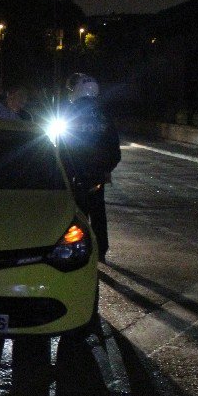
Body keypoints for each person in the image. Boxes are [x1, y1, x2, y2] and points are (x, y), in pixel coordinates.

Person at [59, 73, 121, 263]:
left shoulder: (70, 113)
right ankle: (100, 250)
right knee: (98, 212)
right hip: (97, 174)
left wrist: (64, 171)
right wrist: (106, 169)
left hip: (75, 174)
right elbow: (114, 147)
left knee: (77, 214)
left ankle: (80, 251)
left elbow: (63, 147)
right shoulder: (103, 113)